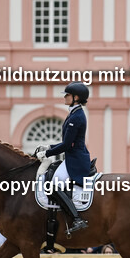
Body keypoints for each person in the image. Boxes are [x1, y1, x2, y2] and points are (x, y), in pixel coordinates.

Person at [43, 81, 93, 235]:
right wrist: (49, 147)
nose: (64, 97)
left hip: (75, 160)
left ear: (76, 97)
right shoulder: (74, 113)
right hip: (73, 156)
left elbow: (67, 144)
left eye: (67, 95)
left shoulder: (76, 117)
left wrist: (47, 153)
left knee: (52, 184)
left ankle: (77, 218)